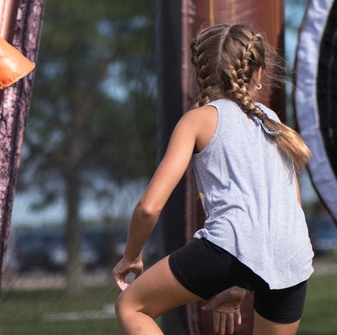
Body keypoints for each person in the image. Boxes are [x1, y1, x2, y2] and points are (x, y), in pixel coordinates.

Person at [113, 23, 314, 335]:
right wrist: (243, 281)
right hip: (294, 252)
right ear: (258, 72)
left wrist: (131, 256)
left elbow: (148, 208)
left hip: (229, 248)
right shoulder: (272, 121)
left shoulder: (198, 120)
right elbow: (290, 207)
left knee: (131, 306)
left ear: (201, 71)